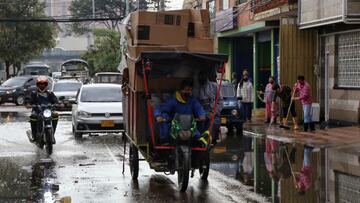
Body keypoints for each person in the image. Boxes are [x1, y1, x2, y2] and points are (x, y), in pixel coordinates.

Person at [154, 79, 207, 146]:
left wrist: (201, 115)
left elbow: (199, 108)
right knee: (164, 116)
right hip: (176, 127)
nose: (189, 92)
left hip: (190, 126)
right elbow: (160, 108)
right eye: (187, 90)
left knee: (198, 138)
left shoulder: (192, 100)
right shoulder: (173, 101)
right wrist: (158, 116)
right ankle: (164, 141)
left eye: (191, 90)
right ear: (181, 90)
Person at [25, 76, 63, 143]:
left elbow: (55, 100)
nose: (42, 85)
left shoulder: (50, 93)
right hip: (37, 111)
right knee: (33, 117)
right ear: (37, 84)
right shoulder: (34, 93)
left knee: (55, 115)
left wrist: (59, 104)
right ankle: (34, 135)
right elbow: (28, 100)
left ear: (46, 84)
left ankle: (52, 134)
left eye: (43, 84)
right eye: (40, 84)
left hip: (48, 111)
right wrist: (28, 104)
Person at [193, 71, 223, 144]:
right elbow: (193, 104)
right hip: (200, 114)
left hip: (213, 113)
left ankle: (206, 140)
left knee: (213, 124)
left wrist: (214, 112)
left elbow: (220, 101)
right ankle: (200, 140)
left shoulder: (214, 86)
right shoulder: (195, 89)